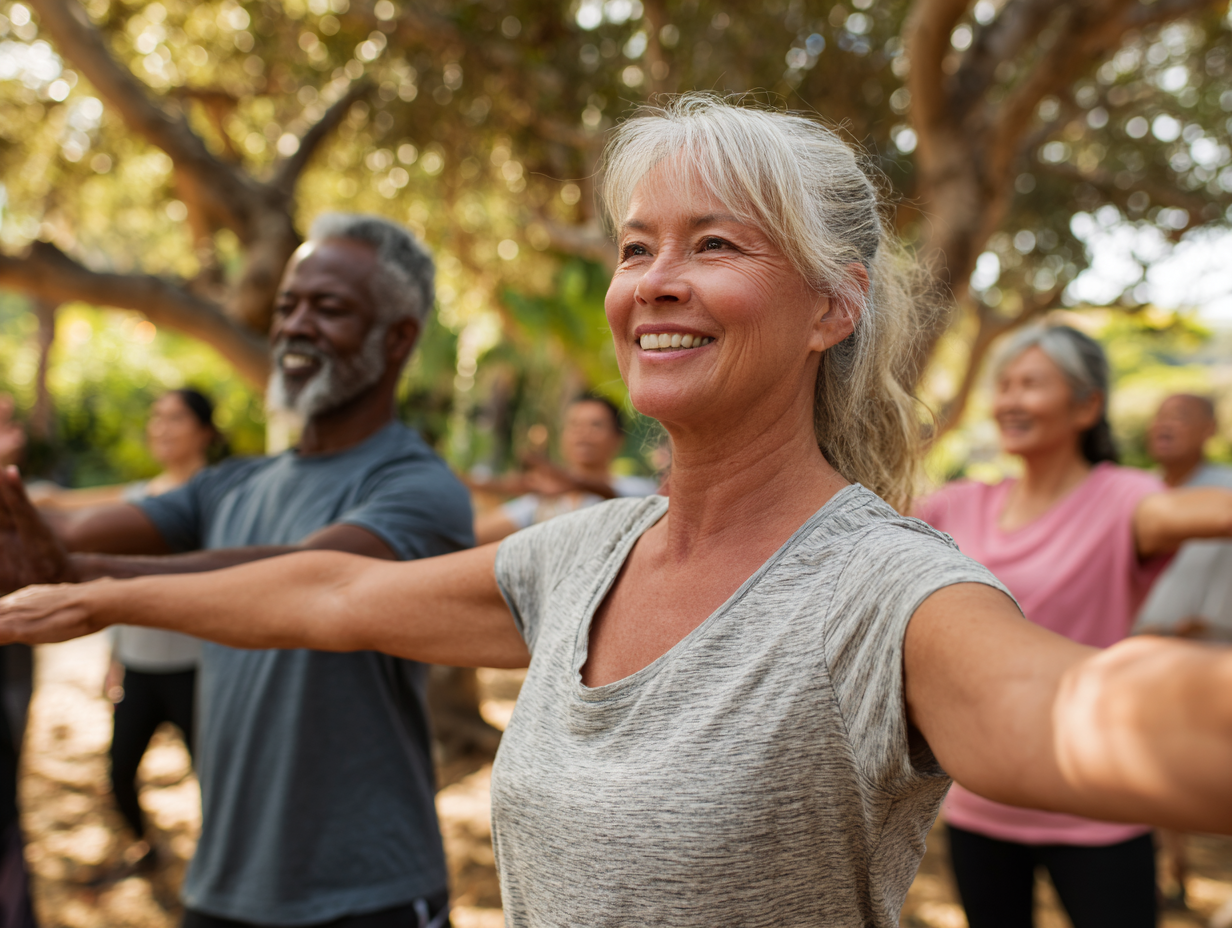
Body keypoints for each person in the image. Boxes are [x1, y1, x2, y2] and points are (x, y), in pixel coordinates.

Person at [1, 96, 1231, 928]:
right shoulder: (579, 558)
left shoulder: (877, 591)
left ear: (831, 306)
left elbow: (1071, 707)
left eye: (712, 244)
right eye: (636, 247)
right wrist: (97, 593)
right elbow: (330, 593)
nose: (655, 283)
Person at [1, 214, 470, 928]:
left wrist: (93, 582)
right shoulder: (233, 485)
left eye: (329, 308)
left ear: (398, 337)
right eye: (288, 306)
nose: (296, 326)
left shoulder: (417, 488)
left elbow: (314, 580)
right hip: (222, 891)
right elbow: (65, 533)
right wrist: (34, 540)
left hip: (367, 895)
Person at [913, 325, 1213, 927]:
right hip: (981, 802)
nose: (1011, 401)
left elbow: (1202, 510)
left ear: (1087, 405)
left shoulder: (1125, 498)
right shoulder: (957, 505)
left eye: (1032, 384)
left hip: (1099, 803)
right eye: (1005, 385)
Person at [43, 389, 223, 870]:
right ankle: (146, 847)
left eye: (176, 417)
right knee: (119, 773)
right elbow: (66, 510)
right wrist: (114, 658)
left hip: (198, 668)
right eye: (156, 416)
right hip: (141, 668)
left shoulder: (224, 497)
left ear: (205, 431)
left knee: (218, 780)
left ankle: (222, 861)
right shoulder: (139, 499)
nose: (161, 427)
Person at [472, 393, 657, 544]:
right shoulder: (545, 501)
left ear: (618, 439)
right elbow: (475, 534)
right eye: (574, 425)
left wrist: (570, 481)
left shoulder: (641, 491)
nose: (583, 433)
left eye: (596, 425)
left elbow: (618, 498)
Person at [1136, 393, 1232, 643]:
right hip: (1134, 647)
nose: (1164, 424)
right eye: (1159, 417)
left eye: (1179, 416)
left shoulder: (1226, 489)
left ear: (1209, 429)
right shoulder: (1136, 492)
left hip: (1212, 651)